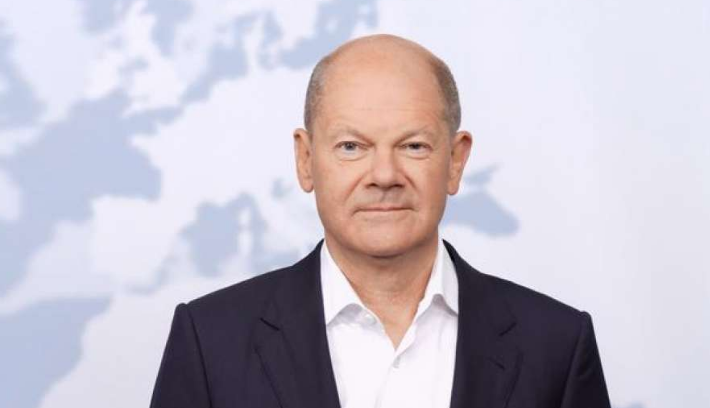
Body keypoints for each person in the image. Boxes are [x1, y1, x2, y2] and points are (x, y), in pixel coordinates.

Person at [150, 34, 612, 408]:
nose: (385, 175)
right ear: (306, 160)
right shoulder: (210, 341)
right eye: (352, 147)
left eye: (414, 146)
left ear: (456, 161)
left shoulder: (556, 344)